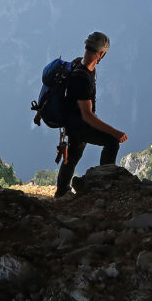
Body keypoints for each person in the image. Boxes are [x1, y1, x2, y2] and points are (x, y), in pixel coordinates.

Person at [54, 31, 129, 197]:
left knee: (73, 155)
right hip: (80, 125)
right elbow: (88, 116)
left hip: (71, 123)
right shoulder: (82, 78)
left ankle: (61, 192)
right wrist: (115, 132)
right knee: (111, 142)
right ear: (101, 53)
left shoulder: (79, 65)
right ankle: (105, 185)